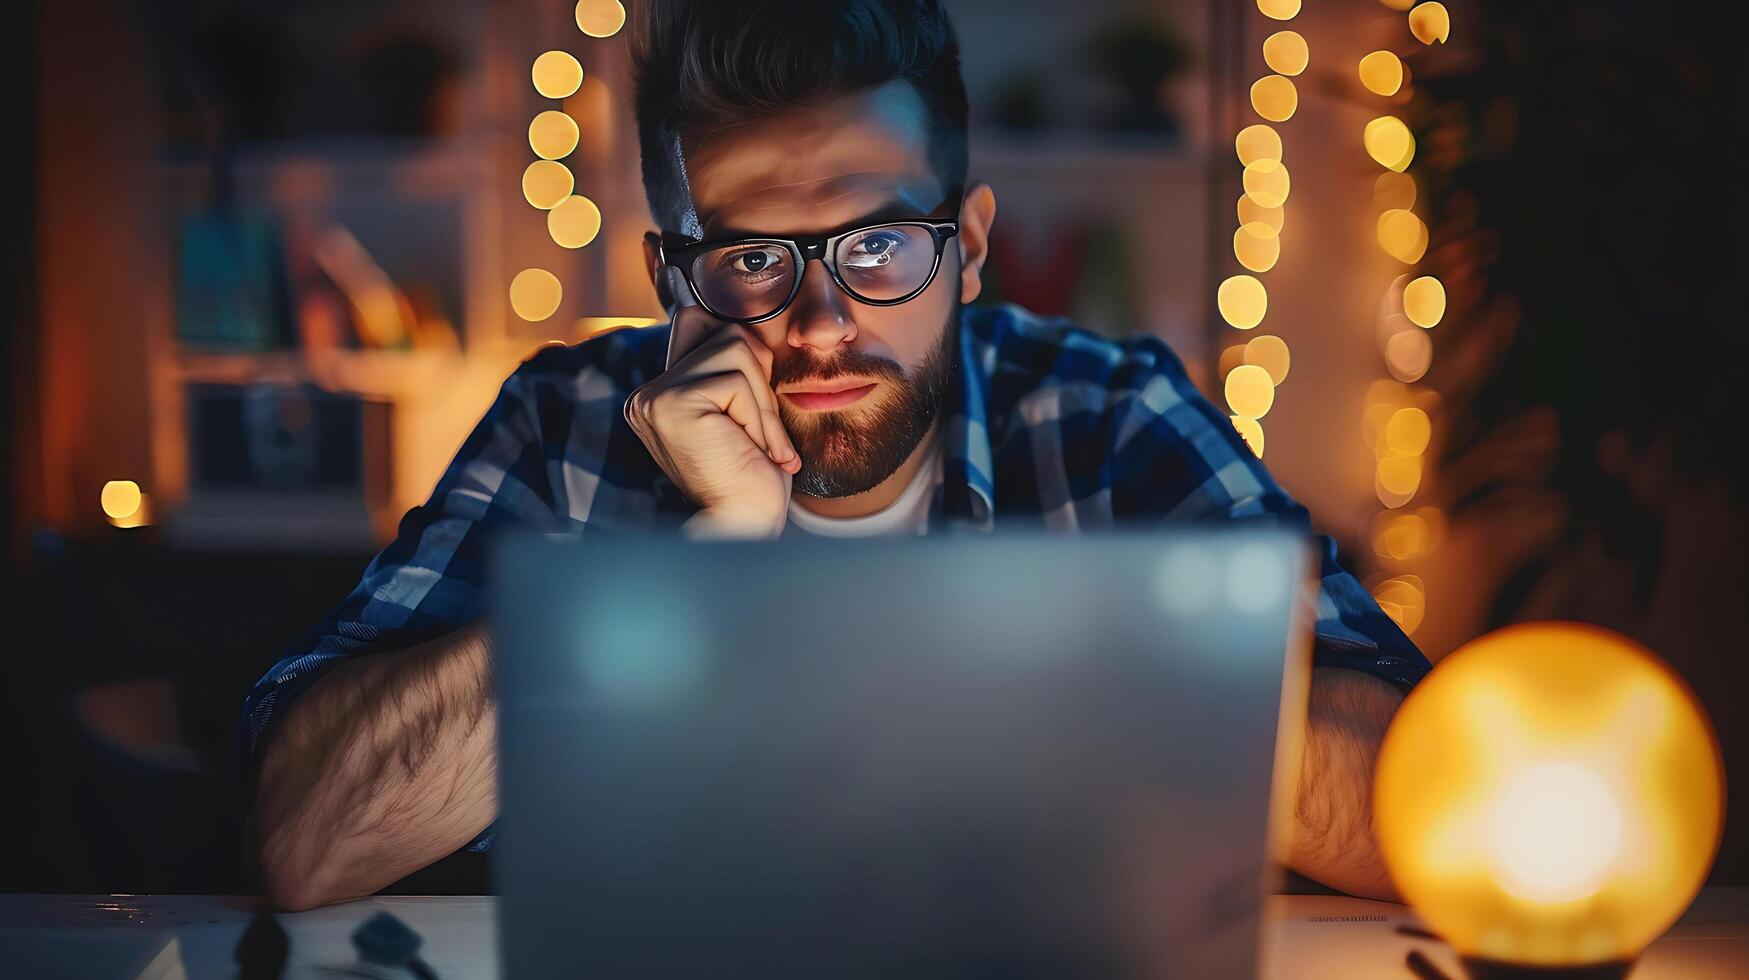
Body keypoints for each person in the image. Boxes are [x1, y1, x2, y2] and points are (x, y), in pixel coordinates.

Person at [243, 0, 1429, 911]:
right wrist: (694, 570)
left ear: (966, 249)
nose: (819, 322)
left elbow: (1435, 797)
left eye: (877, 244)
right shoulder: (568, 423)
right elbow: (303, 833)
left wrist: (1105, 674)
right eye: (753, 258)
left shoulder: (1109, 417)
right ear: (674, 283)